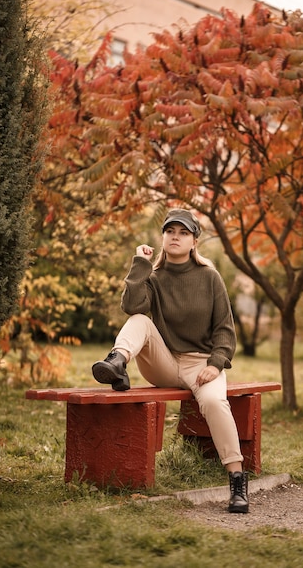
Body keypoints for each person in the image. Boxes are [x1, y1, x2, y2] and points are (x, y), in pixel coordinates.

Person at [92, 208, 249, 513]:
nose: (175, 237)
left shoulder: (209, 277)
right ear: (163, 238)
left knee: (216, 403)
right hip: (163, 362)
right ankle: (116, 362)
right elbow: (132, 306)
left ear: (194, 241)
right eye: (170, 232)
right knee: (140, 320)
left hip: (201, 365)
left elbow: (225, 330)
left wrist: (215, 365)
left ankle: (237, 481)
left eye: (183, 232)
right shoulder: (154, 277)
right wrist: (140, 264)